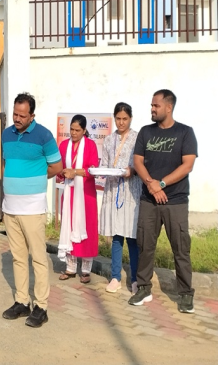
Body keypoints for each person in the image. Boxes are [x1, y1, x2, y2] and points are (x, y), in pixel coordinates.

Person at [129, 90, 198, 313]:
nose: (152, 109)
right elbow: (138, 162)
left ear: (169, 107)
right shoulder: (146, 132)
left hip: (175, 201)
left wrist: (161, 184)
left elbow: (187, 165)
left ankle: (185, 294)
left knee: (181, 248)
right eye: (151, 105)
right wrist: (152, 185)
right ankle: (143, 288)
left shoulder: (185, 132)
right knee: (145, 246)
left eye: (156, 105)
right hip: (149, 200)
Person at [1, 93, 62, 329]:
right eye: (15, 114)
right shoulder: (7, 134)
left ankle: (41, 307)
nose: (17, 119)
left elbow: (56, 166)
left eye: (22, 115)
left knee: (38, 257)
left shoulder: (44, 135)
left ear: (32, 115)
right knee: (18, 257)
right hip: (10, 207)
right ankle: (22, 301)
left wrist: (35, 178)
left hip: (33, 208)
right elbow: (7, 163)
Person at [99, 103, 141, 294]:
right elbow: (105, 163)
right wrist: (100, 171)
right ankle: (115, 276)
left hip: (131, 191)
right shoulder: (109, 140)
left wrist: (132, 170)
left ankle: (135, 279)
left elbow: (142, 163)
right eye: (118, 119)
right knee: (116, 235)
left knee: (131, 236)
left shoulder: (137, 138)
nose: (121, 122)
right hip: (113, 189)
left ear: (130, 118)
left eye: (125, 119)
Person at [57, 115, 99, 284]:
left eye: (77, 130)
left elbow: (93, 169)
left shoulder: (90, 145)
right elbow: (59, 168)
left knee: (87, 227)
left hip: (85, 194)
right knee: (69, 225)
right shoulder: (64, 145)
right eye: (72, 129)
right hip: (69, 192)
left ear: (84, 130)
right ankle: (70, 267)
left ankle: (86, 270)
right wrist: (63, 172)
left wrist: (75, 172)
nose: (73, 133)